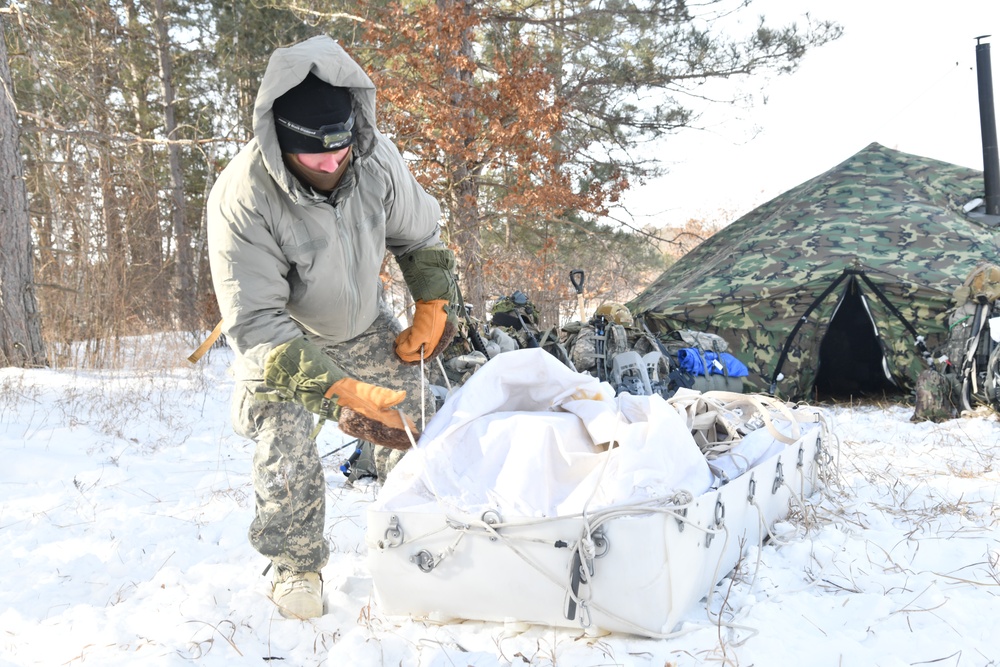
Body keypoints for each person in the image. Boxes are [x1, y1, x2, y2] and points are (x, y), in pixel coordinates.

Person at [206, 35, 459, 620]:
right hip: (283, 339)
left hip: (362, 323)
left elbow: (419, 235)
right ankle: (295, 566)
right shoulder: (242, 196)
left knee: (418, 416)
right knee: (285, 446)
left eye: (338, 149)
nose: (329, 162)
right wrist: (340, 393)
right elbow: (258, 323)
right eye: (312, 155)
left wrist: (434, 303)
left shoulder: (374, 158)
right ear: (281, 141)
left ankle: (422, 537)